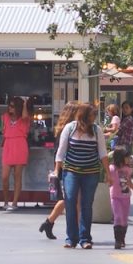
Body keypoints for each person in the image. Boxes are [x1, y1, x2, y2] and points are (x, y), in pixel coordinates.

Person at [54, 103, 111, 250]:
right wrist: (56, 170)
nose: (94, 118)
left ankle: (85, 238)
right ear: (84, 116)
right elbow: (61, 151)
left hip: (91, 172)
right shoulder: (70, 128)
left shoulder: (96, 130)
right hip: (71, 171)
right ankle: (71, 238)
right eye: (92, 115)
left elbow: (103, 153)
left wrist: (108, 174)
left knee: (87, 204)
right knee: (70, 199)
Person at [38, 100, 78, 240]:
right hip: (67, 167)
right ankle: (74, 230)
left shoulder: (63, 128)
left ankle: (49, 222)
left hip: (64, 166)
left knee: (67, 199)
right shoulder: (69, 129)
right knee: (71, 199)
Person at [110, 147, 133, 248]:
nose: (128, 159)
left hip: (126, 196)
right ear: (121, 157)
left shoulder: (128, 169)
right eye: (127, 157)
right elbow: (108, 180)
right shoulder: (112, 169)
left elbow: (129, 182)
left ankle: (122, 238)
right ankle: (117, 240)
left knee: (124, 219)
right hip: (115, 196)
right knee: (118, 217)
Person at [0, 96, 30, 210]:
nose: (9, 108)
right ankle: (6, 201)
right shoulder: (5, 117)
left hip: (20, 145)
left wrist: (24, 104)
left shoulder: (24, 119)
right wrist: (1, 144)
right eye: (9, 105)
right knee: (5, 176)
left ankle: (14, 202)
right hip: (8, 145)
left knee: (17, 176)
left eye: (12, 106)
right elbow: (4, 132)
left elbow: (25, 116)